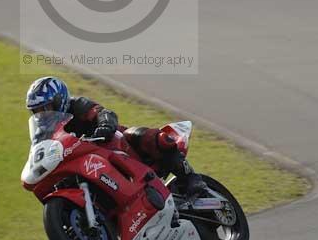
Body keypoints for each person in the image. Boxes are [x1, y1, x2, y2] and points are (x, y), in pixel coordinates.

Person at [26, 76, 206, 196]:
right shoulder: (45, 132)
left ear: (60, 100)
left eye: (46, 109)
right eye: (37, 111)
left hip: (113, 144)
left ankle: (190, 177)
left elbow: (103, 113)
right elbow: (42, 151)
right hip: (86, 165)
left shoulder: (77, 105)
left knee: (149, 137)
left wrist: (104, 126)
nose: (42, 115)